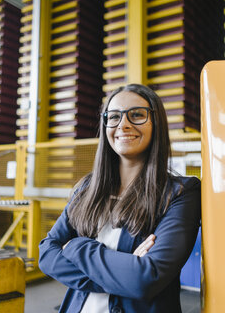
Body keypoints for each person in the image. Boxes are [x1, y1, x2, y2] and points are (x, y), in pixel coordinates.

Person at [39, 84, 201, 313]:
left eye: (136, 115)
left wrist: (76, 246)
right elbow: (46, 253)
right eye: (113, 117)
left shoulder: (180, 193)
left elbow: (146, 279)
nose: (123, 124)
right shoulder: (87, 188)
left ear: (156, 123)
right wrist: (123, 273)